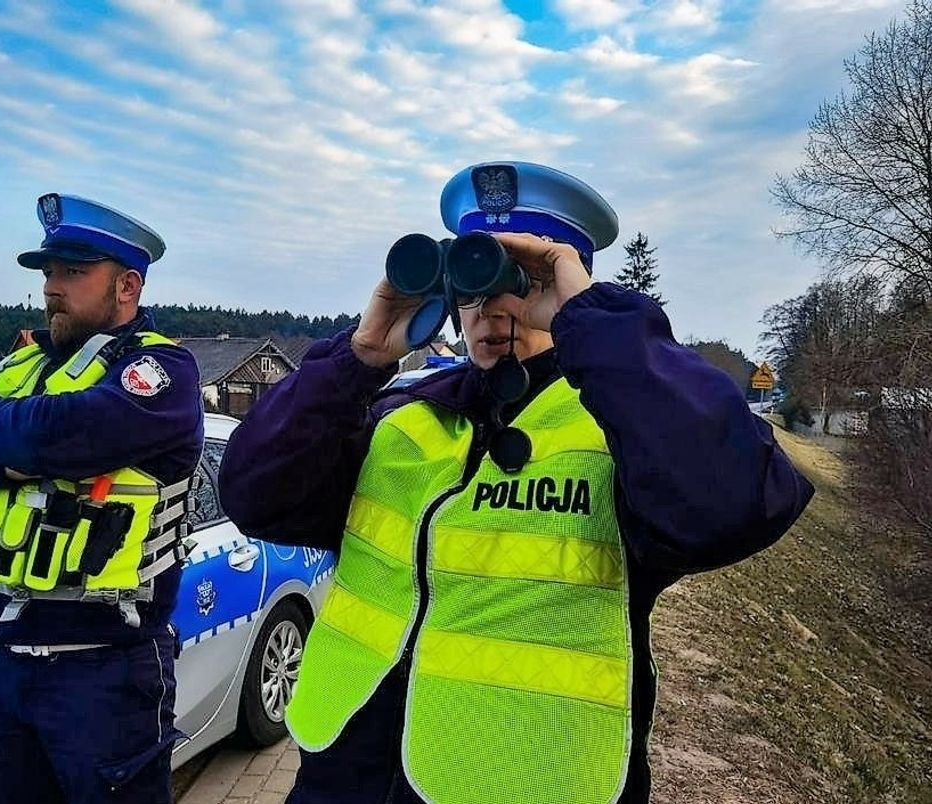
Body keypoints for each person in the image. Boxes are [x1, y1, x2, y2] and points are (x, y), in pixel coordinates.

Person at [217, 161, 815, 804]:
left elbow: (732, 503)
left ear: (567, 290)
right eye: (472, 287)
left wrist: (594, 323)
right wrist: (358, 359)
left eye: (524, 281)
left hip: (530, 784)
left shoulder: (622, 435)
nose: (493, 307)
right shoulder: (402, 424)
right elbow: (254, 494)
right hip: (343, 774)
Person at [0, 193, 204, 804]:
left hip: (108, 673)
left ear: (127, 286)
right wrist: (27, 447)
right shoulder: (21, 369)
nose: (51, 288)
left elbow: (67, 432)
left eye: (72, 272)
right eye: (48, 273)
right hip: (8, 661)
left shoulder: (162, 372)